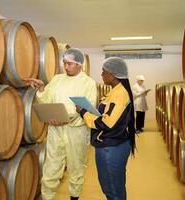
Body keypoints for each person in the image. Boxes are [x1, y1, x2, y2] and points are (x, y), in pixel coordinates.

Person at [26, 48, 97, 200]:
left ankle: (74, 197)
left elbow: (88, 109)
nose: (66, 67)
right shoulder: (57, 79)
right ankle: (47, 197)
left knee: (76, 169)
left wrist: (67, 118)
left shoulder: (88, 83)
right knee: (51, 168)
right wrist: (41, 88)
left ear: (79, 64)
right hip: (55, 131)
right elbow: (46, 100)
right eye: (64, 63)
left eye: (70, 64)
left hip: (77, 132)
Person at [76, 57, 136, 200]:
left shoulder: (119, 94)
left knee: (113, 190)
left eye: (104, 72)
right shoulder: (115, 91)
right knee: (111, 188)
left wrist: (83, 113)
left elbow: (107, 123)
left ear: (113, 74)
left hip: (111, 148)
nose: (101, 75)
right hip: (110, 146)